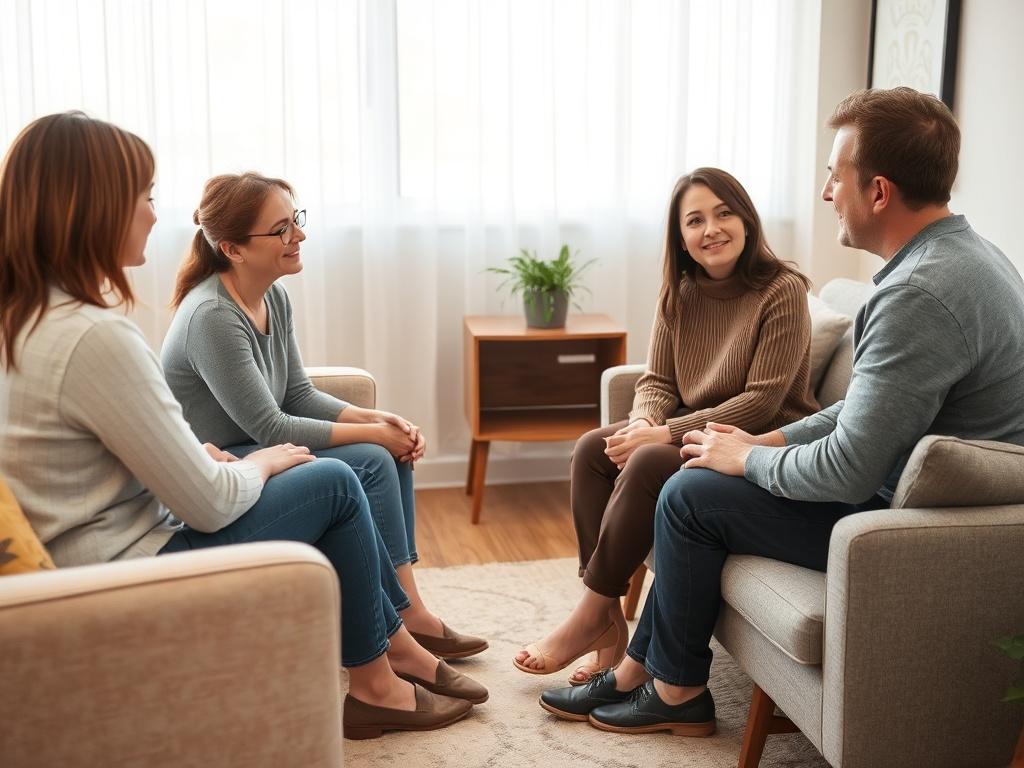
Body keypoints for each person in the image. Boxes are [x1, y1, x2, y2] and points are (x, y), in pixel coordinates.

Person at [538, 86, 1024, 735]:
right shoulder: (967, 259)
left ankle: (677, 693)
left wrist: (747, 456)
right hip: (911, 493)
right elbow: (858, 410)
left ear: (877, 191)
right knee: (690, 476)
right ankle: (632, 670)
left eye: (834, 174)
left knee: (688, 496)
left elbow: (851, 469)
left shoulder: (917, 294)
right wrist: (766, 444)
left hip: (905, 525)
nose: (826, 192)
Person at [0, 112, 483, 742]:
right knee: (336, 480)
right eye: (144, 196)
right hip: (120, 572)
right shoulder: (97, 335)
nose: (153, 213)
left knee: (355, 461)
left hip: (96, 552)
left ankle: (398, 649)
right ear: (94, 208)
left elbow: (95, 459)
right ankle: (382, 682)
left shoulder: (29, 319)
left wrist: (209, 453)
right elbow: (205, 503)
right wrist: (260, 461)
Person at [160, 172, 487, 662]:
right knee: (375, 457)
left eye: (297, 221)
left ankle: (409, 612)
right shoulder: (212, 317)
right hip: (229, 466)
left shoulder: (272, 295)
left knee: (384, 453)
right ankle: (402, 621)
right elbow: (270, 427)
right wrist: (373, 434)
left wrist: (378, 419)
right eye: (282, 230)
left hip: (263, 449)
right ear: (233, 249)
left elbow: (297, 392)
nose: (300, 236)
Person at [514, 167, 819, 682]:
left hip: (753, 443)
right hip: (687, 432)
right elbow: (657, 381)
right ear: (681, 236)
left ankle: (587, 616)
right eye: (695, 220)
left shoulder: (782, 290)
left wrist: (665, 435)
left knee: (653, 455)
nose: (712, 229)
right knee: (595, 447)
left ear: (746, 219)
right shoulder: (679, 292)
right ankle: (608, 618)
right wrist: (642, 422)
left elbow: (761, 402)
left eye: (724, 213)